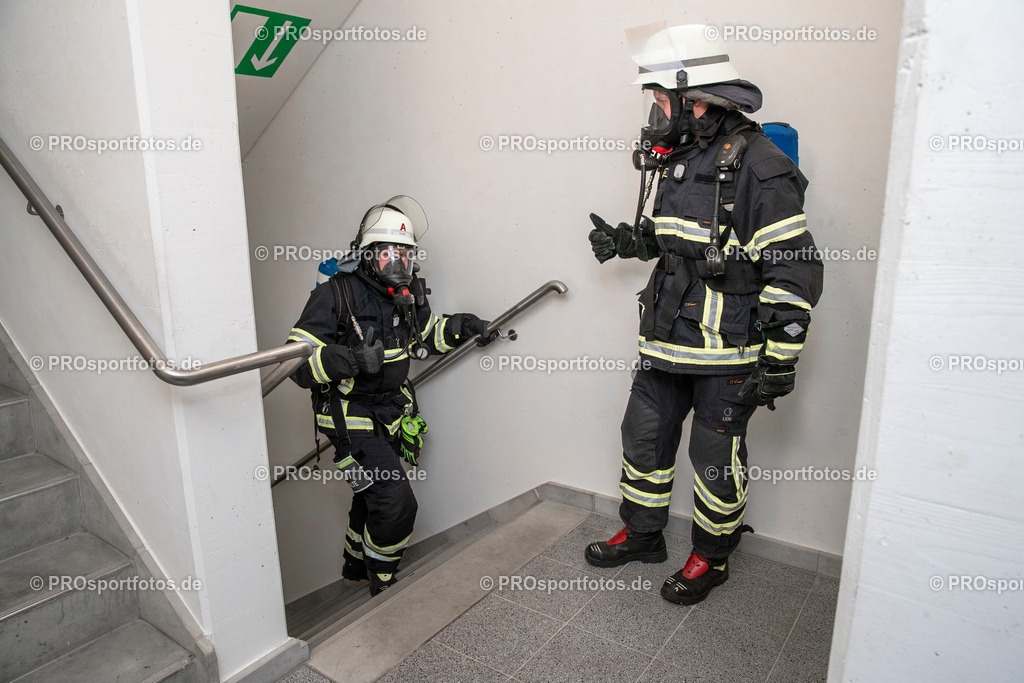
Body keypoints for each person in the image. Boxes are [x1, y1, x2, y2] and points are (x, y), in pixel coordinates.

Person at [584, 25, 824, 605]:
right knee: (643, 440)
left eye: (662, 100)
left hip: (727, 352)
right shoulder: (683, 159)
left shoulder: (759, 165)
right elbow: (684, 244)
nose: (656, 113)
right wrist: (631, 242)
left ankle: (710, 556)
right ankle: (644, 535)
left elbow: (794, 265)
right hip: (665, 339)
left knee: (715, 461)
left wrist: (782, 357)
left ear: (696, 100)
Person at [287, 196, 496, 595]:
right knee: (397, 503)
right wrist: (346, 359)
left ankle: (353, 562)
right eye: (387, 253)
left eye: (404, 253)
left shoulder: (409, 294)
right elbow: (296, 364)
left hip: (391, 411)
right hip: (350, 415)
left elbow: (426, 335)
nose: (397, 263)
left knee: (372, 496)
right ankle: (382, 580)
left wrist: (465, 326)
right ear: (366, 255)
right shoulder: (335, 294)